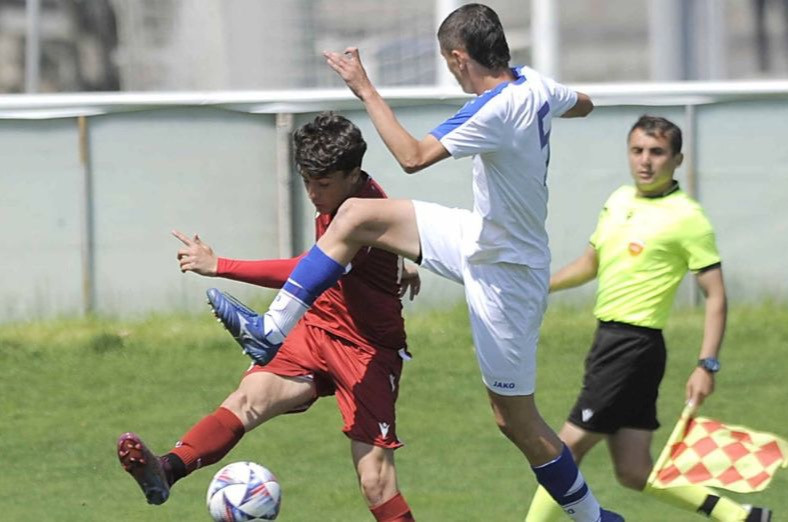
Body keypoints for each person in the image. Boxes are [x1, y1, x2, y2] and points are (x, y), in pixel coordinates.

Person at [207, 4, 623, 521]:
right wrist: (565, 105)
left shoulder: (493, 108)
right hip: (479, 237)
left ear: (458, 57)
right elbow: (583, 103)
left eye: (449, 64)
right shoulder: (534, 85)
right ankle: (273, 327)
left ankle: (594, 517)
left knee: (514, 420)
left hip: (507, 278)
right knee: (356, 215)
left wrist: (365, 89)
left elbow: (411, 156)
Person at [117, 113, 421, 522]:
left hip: (367, 353)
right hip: (317, 329)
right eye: (307, 181)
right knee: (247, 400)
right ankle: (166, 470)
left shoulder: (365, 212)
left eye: (323, 184)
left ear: (353, 175)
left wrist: (220, 264)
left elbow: (304, 269)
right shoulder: (345, 195)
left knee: (375, 482)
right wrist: (403, 259)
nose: (313, 193)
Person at [524, 115, 772, 522]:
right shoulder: (618, 200)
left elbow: (716, 295)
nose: (645, 161)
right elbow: (591, 264)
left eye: (657, 152)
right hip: (613, 342)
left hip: (633, 346)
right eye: (637, 150)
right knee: (634, 470)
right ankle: (739, 516)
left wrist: (706, 364)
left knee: (563, 450)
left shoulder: (688, 217)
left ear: (677, 160)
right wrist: (540, 286)